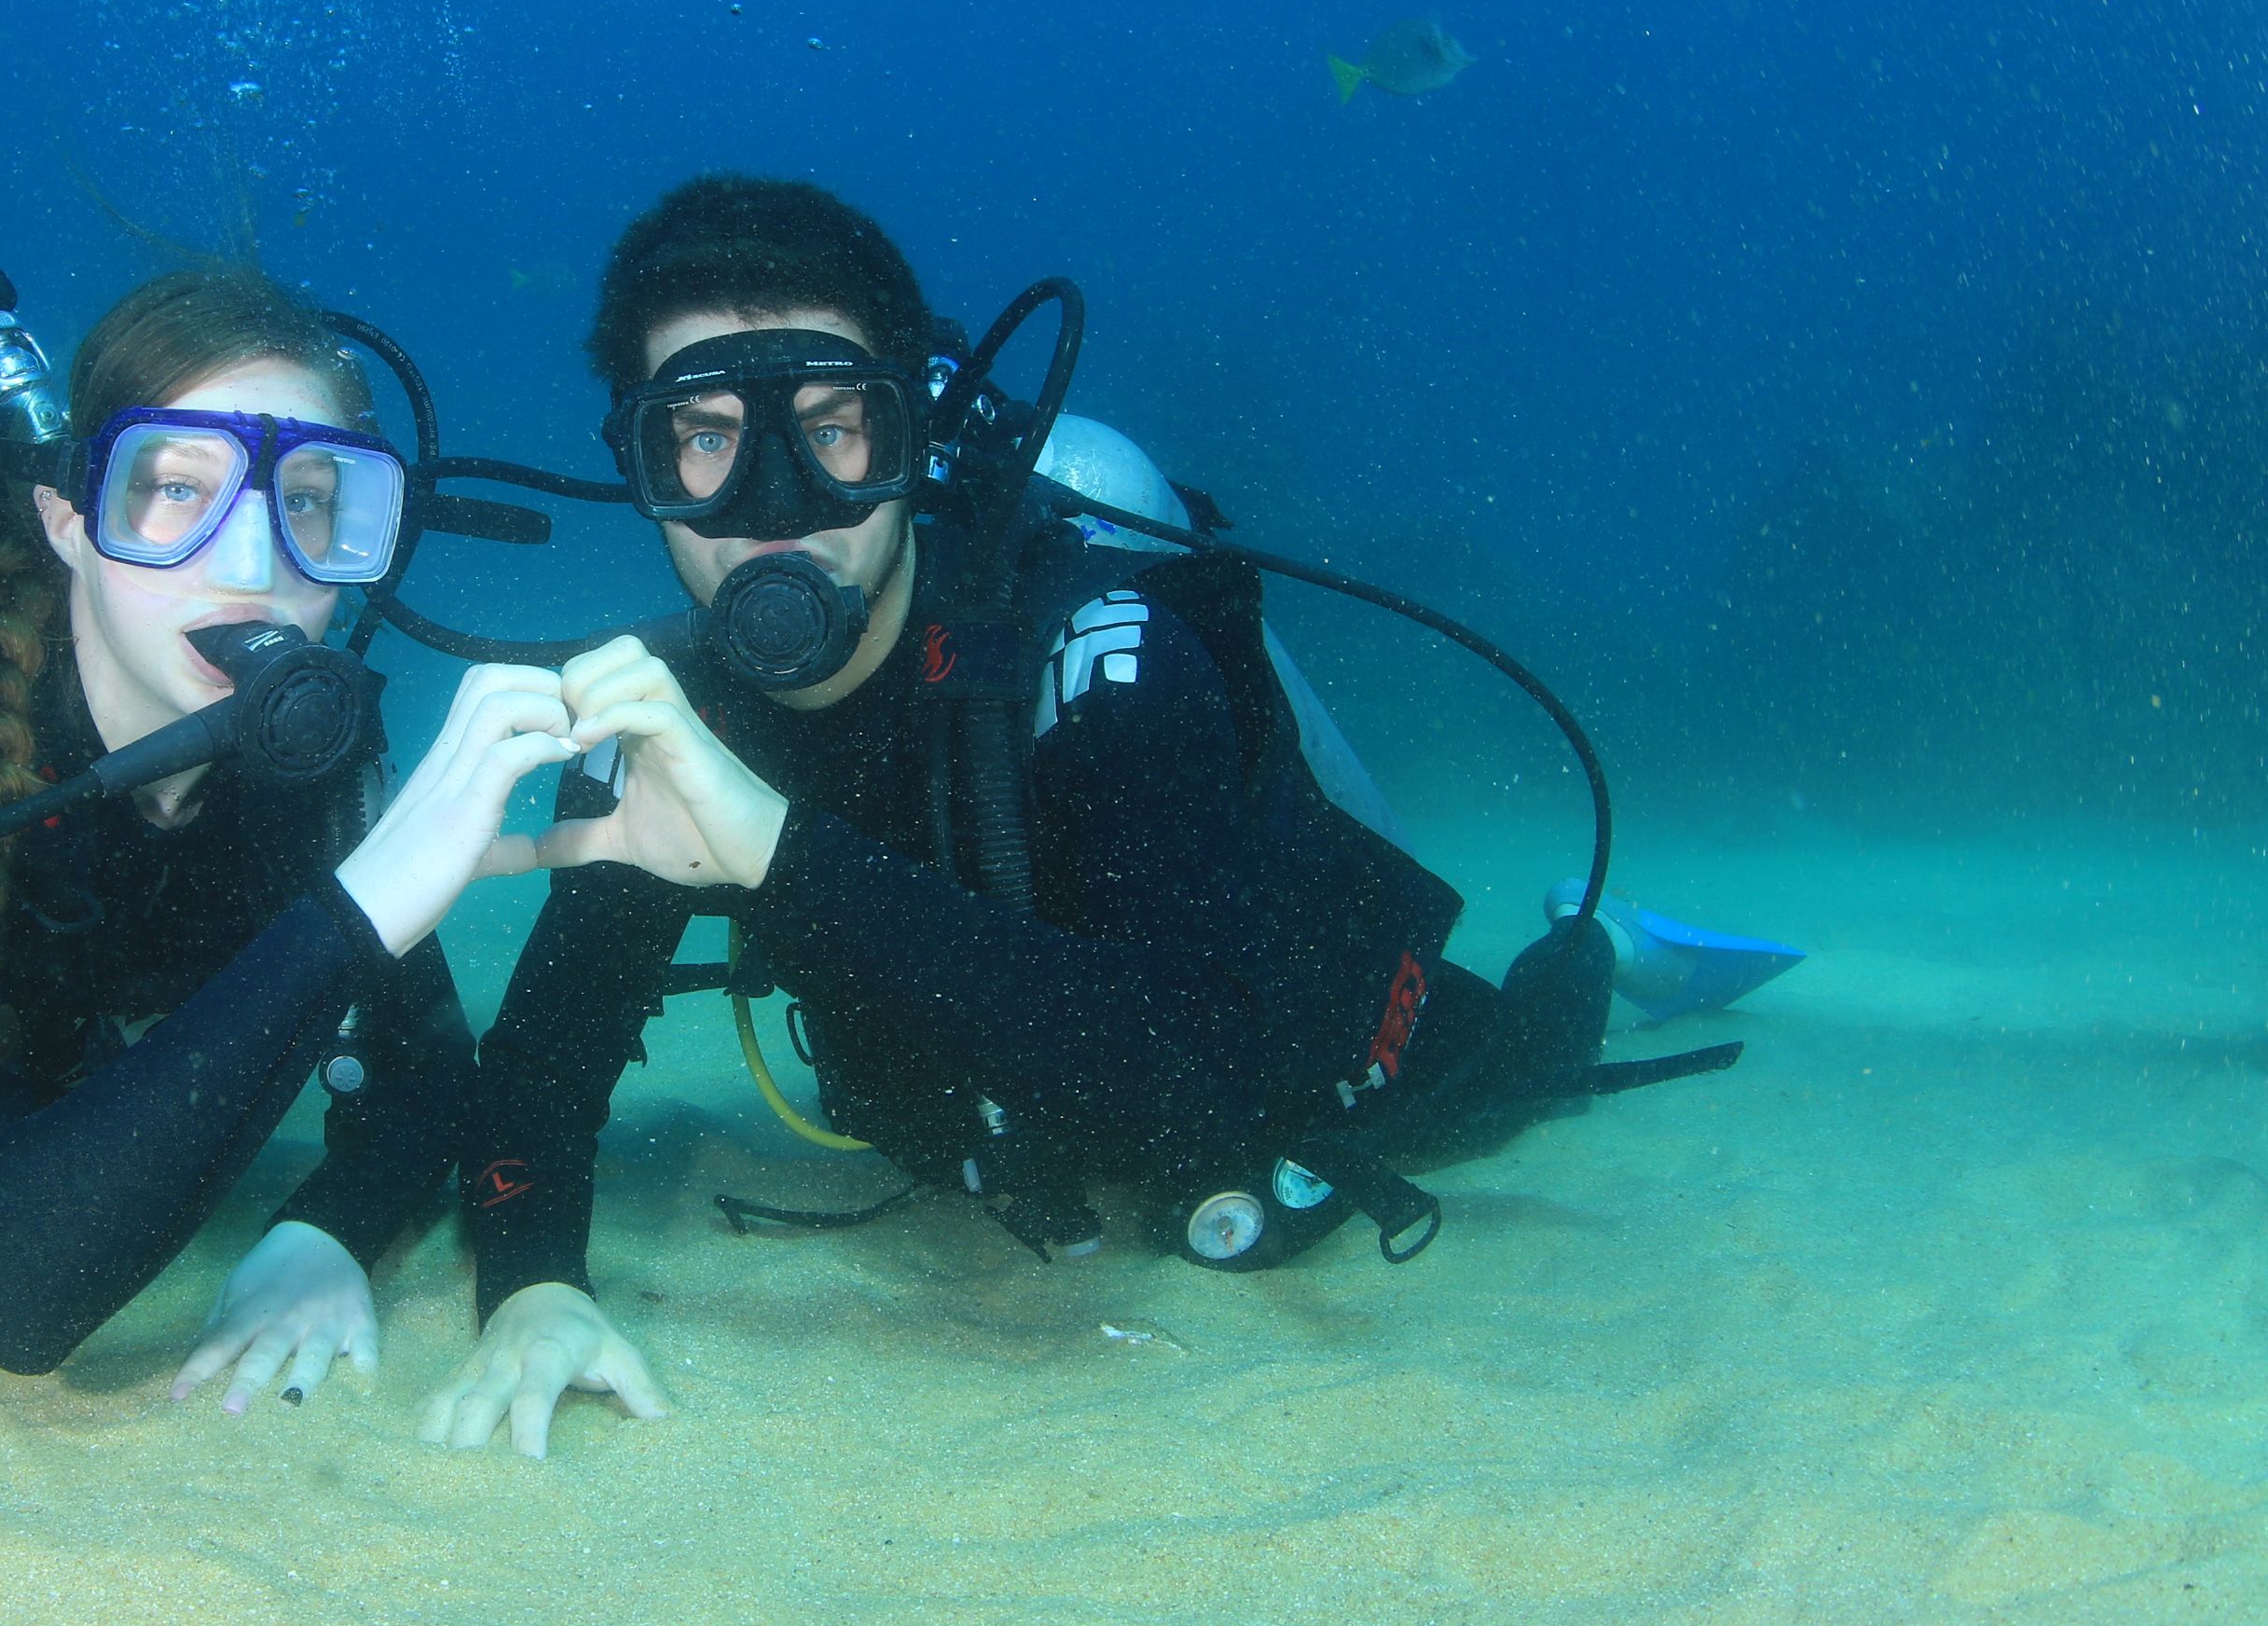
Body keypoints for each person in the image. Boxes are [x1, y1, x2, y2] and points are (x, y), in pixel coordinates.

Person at [416, 176, 1772, 1457]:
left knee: (1525, 1061)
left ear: (915, 437)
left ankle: (1599, 944)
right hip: (1006, 1111)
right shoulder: (666, 721)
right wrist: (532, 1287)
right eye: (702, 441)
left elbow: (1200, 1081)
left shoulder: (1100, 645)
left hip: (1315, 1023)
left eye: (833, 427)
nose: (773, 507)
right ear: (635, 465)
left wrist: (777, 846)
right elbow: (544, 1062)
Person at [0, 268, 581, 1405]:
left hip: (64, 1088)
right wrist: (359, 907)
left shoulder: (296, 759)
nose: (251, 560)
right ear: (70, 517)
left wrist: (326, 1227)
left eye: (313, 501)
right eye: (177, 488)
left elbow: (421, 1080)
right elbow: (6, 1293)